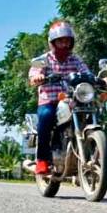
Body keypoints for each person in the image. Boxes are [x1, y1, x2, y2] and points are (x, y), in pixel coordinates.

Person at [28, 21, 91, 176]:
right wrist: (38, 77)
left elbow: (86, 71)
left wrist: (98, 79)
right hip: (49, 100)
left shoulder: (75, 59)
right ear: (53, 42)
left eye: (67, 40)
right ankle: (42, 160)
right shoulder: (45, 59)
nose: (64, 44)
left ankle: (91, 153)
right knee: (46, 116)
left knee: (88, 112)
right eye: (61, 40)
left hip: (70, 100)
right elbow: (33, 73)